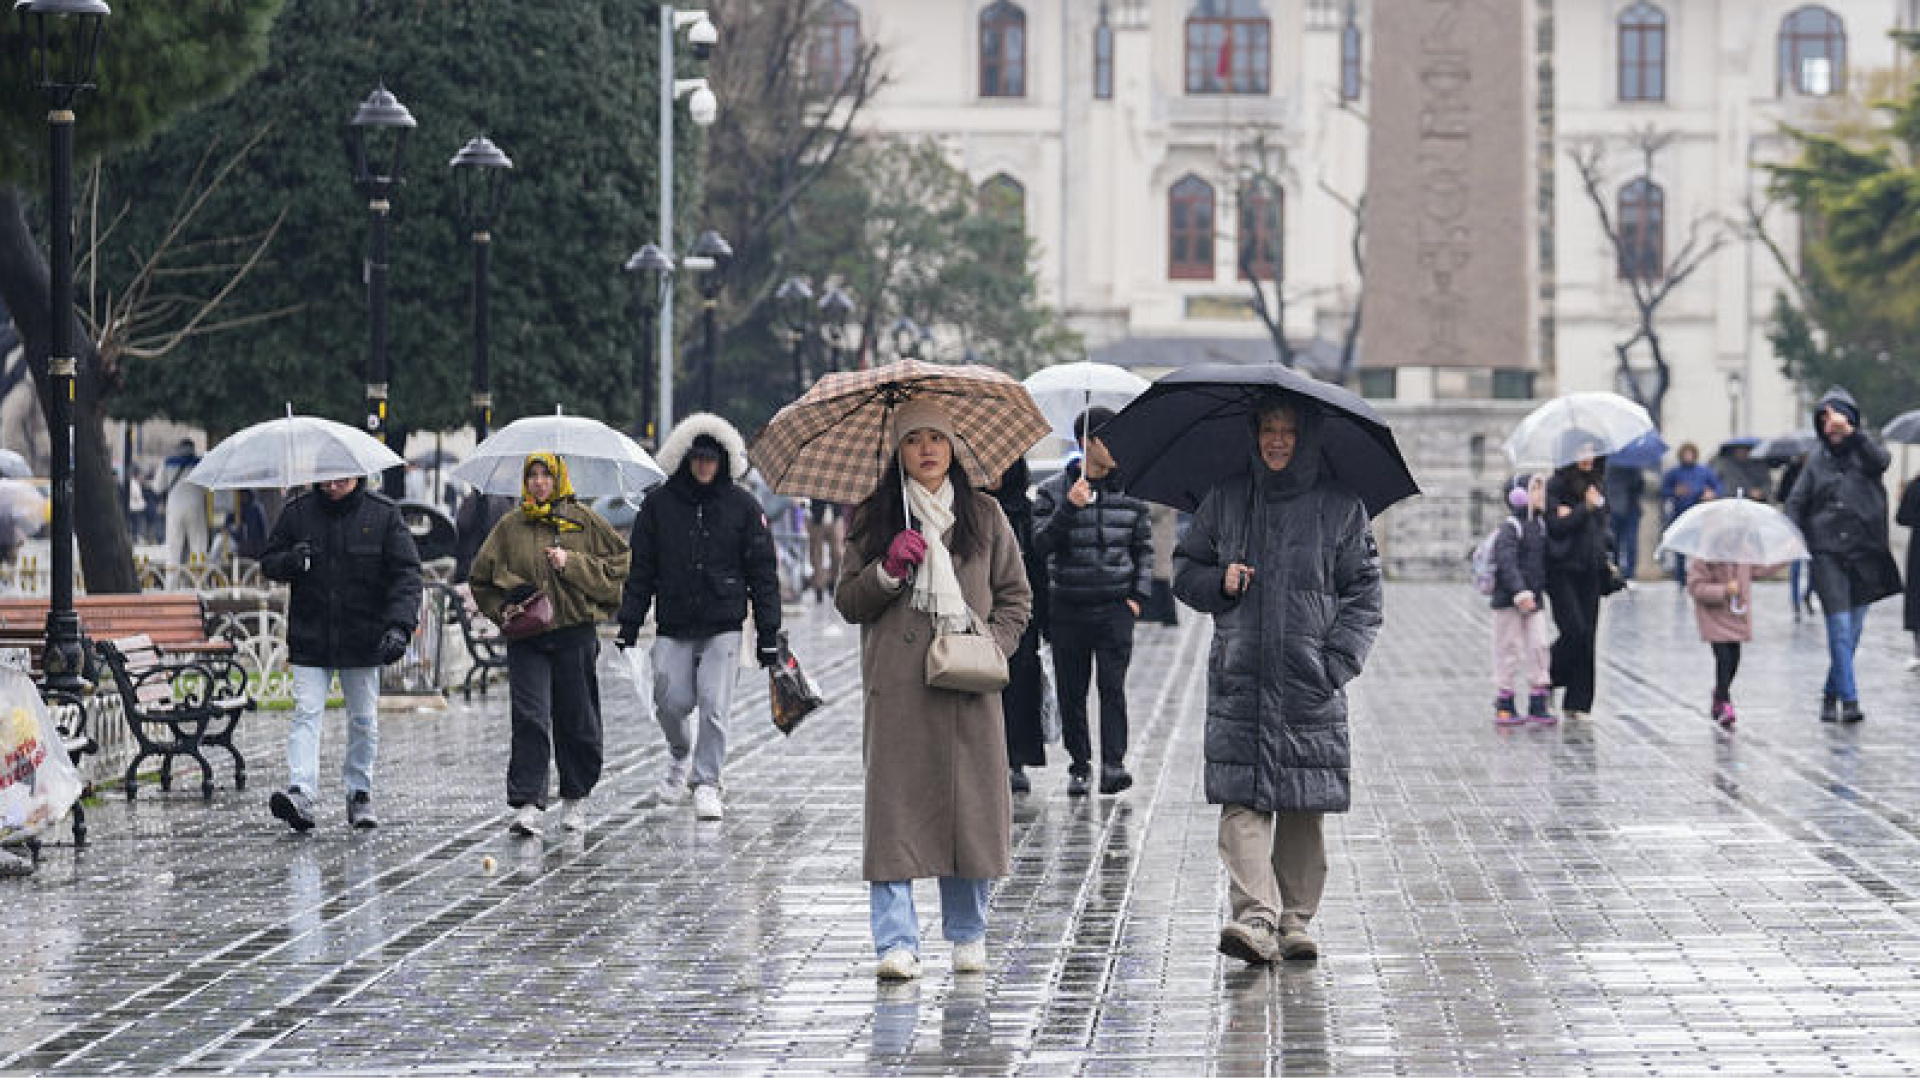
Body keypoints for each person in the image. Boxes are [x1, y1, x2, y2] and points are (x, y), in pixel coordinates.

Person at [1173, 393, 1383, 966]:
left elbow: (1365, 594)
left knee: (1301, 804)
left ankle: (1295, 921)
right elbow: (1184, 571)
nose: (1277, 440)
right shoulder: (1228, 498)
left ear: (1306, 437)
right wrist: (1220, 581)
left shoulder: (1341, 507)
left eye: (1288, 431)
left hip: (1307, 679)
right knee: (1240, 802)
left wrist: (1334, 662)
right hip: (1242, 677)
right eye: (1268, 428)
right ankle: (1255, 917)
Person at [834, 399, 1032, 981]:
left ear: (953, 449)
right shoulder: (875, 517)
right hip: (898, 691)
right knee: (894, 814)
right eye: (914, 439)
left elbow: (1017, 597)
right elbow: (848, 601)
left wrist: (991, 643)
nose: (927, 450)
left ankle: (968, 933)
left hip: (967, 686)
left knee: (968, 810)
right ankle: (895, 942)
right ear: (898, 450)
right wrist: (887, 572)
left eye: (937, 439)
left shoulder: (986, 516)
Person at [615, 413, 781, 822]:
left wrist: (767, 632)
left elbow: (762, 572)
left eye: (711, 459)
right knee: (670, 700)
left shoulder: (743, 506)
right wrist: (629, 624)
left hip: (724, 619)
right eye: (697, 459)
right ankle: (679, 754)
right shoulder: (658, 506)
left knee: (714, 704)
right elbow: (641, 570)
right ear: (686, 460)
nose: (704, 467)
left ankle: (707, 780)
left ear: (723, 461)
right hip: (673, 618)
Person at [470, 455, 629, 835]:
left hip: (574, 633)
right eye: (532, 475)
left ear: (559, 478)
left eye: (546, 474)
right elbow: (481, 579)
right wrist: (502, 610)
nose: (539, 482)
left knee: (577, 719)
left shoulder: (584, 520)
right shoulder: (510, 527)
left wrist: (571, 563)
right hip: (528, 638)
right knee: (530, 716)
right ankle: (529, 802)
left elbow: (619, 566)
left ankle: (575, 797)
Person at [257, 474, 423, 832]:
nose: (332, 486)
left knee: (363, 720)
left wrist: (399, 626)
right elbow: (268, 561)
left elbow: (406, 576)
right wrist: (290, 561)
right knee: (306, 713)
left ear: (357, 476)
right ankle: (301, 791)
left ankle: (359, 791)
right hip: (311, 635)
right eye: (326, 480)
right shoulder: (298, 513)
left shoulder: (383, 515)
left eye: (341, 480)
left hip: (363, 637)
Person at [1031, 407, 1153, 797]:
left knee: (1113, 689)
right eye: (1109, 439)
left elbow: (1144, 549)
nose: (1118, 447)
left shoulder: (1131, 492)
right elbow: (1038, 545)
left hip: (1116, 607)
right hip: (1068, 606)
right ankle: (1079, 765)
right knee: (1073, 690)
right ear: (1086, 443)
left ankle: (1113, 765)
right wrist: (1070, 507)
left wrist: (1137, 597)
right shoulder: (1053, 491)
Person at [1783, 388, 1903, 723]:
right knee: (1838, 626)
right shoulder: (1816, 460)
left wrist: (1852, 434)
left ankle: (1830, 692)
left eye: (1836, 418)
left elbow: (1882, 461)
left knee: (1854, 630)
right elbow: (1796, 501)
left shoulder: (1866, 452)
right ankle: (1849, 701)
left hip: (1865, 551)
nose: (1830, 425)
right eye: (1824, 419)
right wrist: (1792, 537)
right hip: (1827, 551)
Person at [989, 458, 1048, 793]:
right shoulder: (972, 510)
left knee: (1019, 689)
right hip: (981, 612)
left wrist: (1044, 619)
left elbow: (1039, 567)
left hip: (1021, 615)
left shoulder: (1026, 513)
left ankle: (1016, 760)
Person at [1545, 442, 1612, 721]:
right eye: (1581, 451)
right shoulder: (1556, 486)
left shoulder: (1597, 485)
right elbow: (1556, 526)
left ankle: (1578, 703)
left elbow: (1603, 528)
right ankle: (1544, 675)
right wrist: (1583, 509)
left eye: (1592, 452)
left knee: (1588, 638)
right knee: (1575, 631)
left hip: (1591, 570)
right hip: (1561, 569)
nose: (1587, 457)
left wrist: (1609, 554)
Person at [1489, 475, 1555, 726]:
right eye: (1535, 490)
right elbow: (1506, 563)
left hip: (1534, 601)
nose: (1541, 495)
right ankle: (1505, 700)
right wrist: (1520, 592)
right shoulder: (1510, 527)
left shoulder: (1540, 526)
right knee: (1508, 649)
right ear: (1519, 496)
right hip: (1509, 601)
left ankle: (1538, 699)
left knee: (1539, 647)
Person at [1685, 559, 1763, 730]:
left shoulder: (1742, 553)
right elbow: (1695, 586)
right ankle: (1724, 701)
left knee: (1734, 660)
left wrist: (1785, 556)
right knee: (1724, 659)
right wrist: (1724, 590)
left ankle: (1719, 694)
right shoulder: (1705, 557)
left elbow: (1759, 569)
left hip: (1735, 617)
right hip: (1714, 618)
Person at [1659, 443, 1720, 581]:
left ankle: (1699, 576)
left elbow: (1717, 487)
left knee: (1699, 547)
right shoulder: (1674, 472)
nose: (1688, 457)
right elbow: (1664, 490)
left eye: (1690, 454)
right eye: (1685, 454)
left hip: (1699, 514)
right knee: (1680, 548)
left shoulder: (1704, 472)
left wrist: (1710, 494)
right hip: (1680, 513)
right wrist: (1675, 492)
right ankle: (1680, 578)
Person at [160, 439, 210, 585]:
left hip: (174, 507)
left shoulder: (168, 462)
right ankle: (198, 582)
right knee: (198, 544)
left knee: (173, 546)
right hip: (196, 506)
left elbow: (158, 486)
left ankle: (171, 584)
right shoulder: (202, 462)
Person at [1777, 453, 1815, 617]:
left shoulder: (1818, 471)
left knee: (1816, 567)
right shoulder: (1791, 471)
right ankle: (1795, 602)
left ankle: (1807, 594)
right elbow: (1781, 496)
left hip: (1815, 525)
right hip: (1795, 524)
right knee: (1796, 566)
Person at [1602, 462, 1645, 580]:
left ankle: (1630, 573)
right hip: (1614, 510)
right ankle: (1615, 572)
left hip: (1631, 510)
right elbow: (1606, 487)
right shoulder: (1610, 467)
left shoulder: (1634, 467)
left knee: (1631, 543)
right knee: (1614, 542)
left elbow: (1640, 487)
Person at [1145, 505, 1180, 625]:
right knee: (1158, 578)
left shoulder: (1164, 496)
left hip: (1159, 539)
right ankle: (1161, 616)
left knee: (1161, 578)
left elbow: (1153, 511)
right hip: (1158, 538)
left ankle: (1168, 617)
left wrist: (1138, 505)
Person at [1899, 475, 1920, 673]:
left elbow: (1902, 517)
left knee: (1916, 598)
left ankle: (1917, 650)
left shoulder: (1915, 484)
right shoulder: (1915, 485)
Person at [806, 499, 845, 604]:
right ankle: (819, 587)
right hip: (817, 517)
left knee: (837, 553)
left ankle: (833, 581)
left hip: (835, 516)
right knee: (816, 554)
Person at [225, 489, 269, 561]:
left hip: (255, 548)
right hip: (240, 547)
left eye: (245, 494)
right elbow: (227, 526)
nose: (243, 496)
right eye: (241, 494)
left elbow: (263, 530)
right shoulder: (235, 509)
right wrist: (234, 532)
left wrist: (263, 548)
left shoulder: (256, 508)